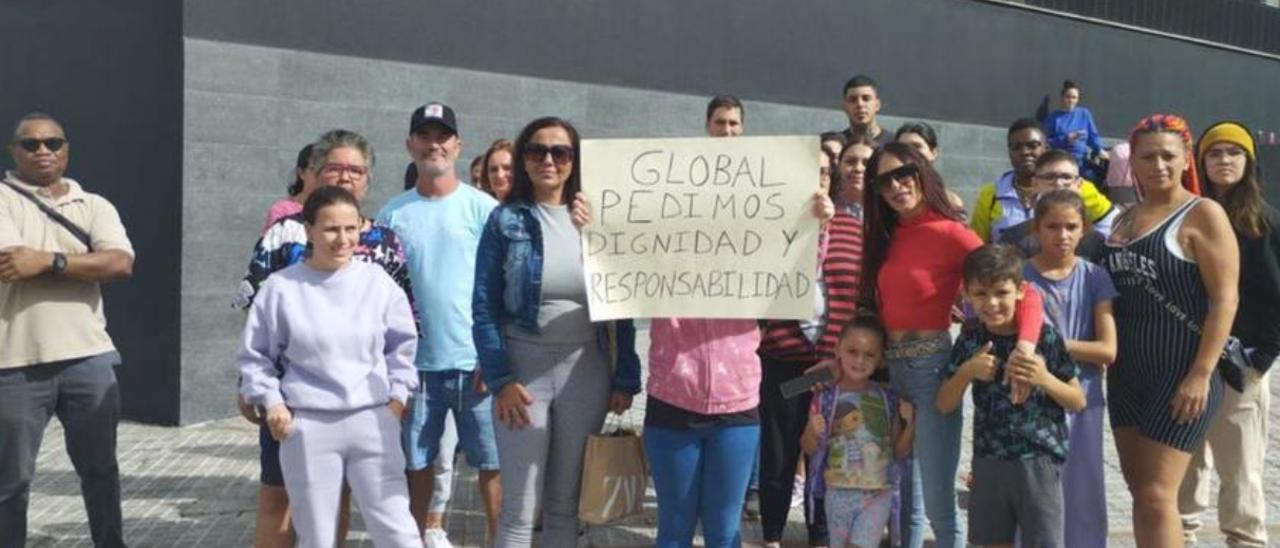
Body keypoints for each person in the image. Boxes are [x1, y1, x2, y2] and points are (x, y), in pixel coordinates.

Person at [233, 129, 415, 548]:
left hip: (373, 418)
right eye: (331, 229)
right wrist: (273, 402)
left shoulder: (378, 281)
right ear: (308, 229)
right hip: (307, 423)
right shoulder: (282, 287)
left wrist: (398, 399)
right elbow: (256, 355)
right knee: (316, 533)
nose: (343, 239)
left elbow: (402, 346)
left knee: (397, 528)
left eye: (351, 229)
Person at [860, 142, 1046, 548]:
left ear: (923, 173)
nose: (896, 186)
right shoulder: (886, 237)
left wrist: (1026, 346)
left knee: (937, 498)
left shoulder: (951, 233)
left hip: (932, 371)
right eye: (883, 180)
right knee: (904, 488)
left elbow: (1024, 292)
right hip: (893, 371)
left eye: (903, 173)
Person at [472, 116, 641, 547]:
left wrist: (625, 377)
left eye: (560, 152)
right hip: (523, 372)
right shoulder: (505, 221)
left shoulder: (599, 218)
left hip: (586, 371)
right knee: (519, 508)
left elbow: (622, 301)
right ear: (524, 161)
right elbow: (484, 305)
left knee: (566, 506)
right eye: (537, 151)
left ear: (574, 161)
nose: (549, 160)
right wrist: (501, 379)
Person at [1102, 114, 1237, 547]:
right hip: (1127, 375)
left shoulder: (1204, 214)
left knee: (1160, 494)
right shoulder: (1123, 221)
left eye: (1167, 155)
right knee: (1142, 494)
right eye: (1147, 156)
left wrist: (1201, 373)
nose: (1158, 164)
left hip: (1180, 371)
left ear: (1185, 159)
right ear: (1132, 163)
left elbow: (1225, 300)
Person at [0, 112, 135, 548]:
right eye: (31, 144)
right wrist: (82, 262)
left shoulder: (94, 205)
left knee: (101, 473)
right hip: (15, 363)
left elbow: (119, 263)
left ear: (67, 149)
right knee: (11, 482)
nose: (43, 151)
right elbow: (12, 264)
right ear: (13, 150)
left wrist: (50, 261)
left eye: (53, 143)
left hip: (88, 358)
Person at [377, 102, 501, 547]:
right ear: (410, 144)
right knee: (417, 465)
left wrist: (497, 356)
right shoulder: (392, 214)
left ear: (458, 145)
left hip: (477, 365)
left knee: (493, 465)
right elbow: (382, 293)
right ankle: (414, 538)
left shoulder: (484, 209)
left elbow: (500, 288)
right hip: (415, 368)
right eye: (425, 136)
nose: (434, 145)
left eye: (442, 136)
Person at [756, 139, 869, 548]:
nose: (817, 180)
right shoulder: (772, 226)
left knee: (827, 451)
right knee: (779, 451)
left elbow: (856, 298)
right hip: (784, 362)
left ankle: (820, 535)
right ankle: (771, 534)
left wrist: (834, 361)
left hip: (831, 366)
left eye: (824, 172)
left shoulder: (853, 229)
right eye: (810, 172)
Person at [937, 243, 1085, 548]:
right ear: (966, 295)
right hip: (989, 460)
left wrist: (1043, 378)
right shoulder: (970, 339)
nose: (991, 303)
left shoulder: (1045, 337)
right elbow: (944, 404)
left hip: (1039, 460)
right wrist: (967, 371)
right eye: (980, 294)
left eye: (1001, 293)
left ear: (1020, 291)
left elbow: (1077, 400)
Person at [1179, 121, 1278, 548]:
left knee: (1240, 473)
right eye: (1214, 153)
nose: (1223, 161)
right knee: (1185, 464)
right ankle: (1178, 538)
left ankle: (1245, 541)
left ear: (1248, 161)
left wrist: (1260, 359)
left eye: (1233, 153)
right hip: (1187, 360)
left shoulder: (1266, 222)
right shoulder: (1186, 215)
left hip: (1241, 365)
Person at [1024, 190, 1119, 548]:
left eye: (1070, 227)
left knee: (1082, 495)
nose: (1061, 235)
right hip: (1030, 405)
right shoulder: (1019, 276)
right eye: (1052, 226)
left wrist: (1050, 344)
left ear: (1085, 229)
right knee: (1034, 494)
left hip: (1083, 401)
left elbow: (1107, 350)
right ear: (1036, 228)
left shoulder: (1095, 277)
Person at [801, 315, 913, 548]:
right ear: (837, 349)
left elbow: (899, 451)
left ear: (880, 359)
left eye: (869, 354)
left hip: (878, 494)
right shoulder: (826, 397)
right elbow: (808, 447)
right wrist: (813, 429)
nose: (860, 360)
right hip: (838, 494)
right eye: (852, 351)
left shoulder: (887, 399)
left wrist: (912, 424)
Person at [971, 118, 1115, 244]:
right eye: (1016, 147)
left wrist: (1085, 250)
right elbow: (976, 243)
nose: (1025, 152)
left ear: (1045, 148)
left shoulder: (1074, 187)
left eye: (1033, 145)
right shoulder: (991, 194)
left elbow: (1112, 223)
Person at [999, 149, 1115, 261]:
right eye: (1050, 177)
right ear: (1035, 184)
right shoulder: (1013, 240)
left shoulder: (1096, 243)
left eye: (1066, 177)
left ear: (1079, 185)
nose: (1059, 184)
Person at [1042, 80, 1107, 180]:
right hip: (1063, 161)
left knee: (1101, 176)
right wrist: (1065, 139)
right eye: (1068, 97)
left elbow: (1093, 136)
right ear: (1062, 97)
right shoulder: (1054, 118)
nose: (1071, 100)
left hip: (1082, 161)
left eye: (1074, 98)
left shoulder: (1084, 114)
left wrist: (1099, 149)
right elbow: (1045, 143)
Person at [261, 144, 319, 232]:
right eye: (315, 169)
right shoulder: (282, 211)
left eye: (327, 170)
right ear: (301, 173)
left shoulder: (340, 208)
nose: (321, 175)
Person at [836, 75, 892, 147]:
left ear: (877, 105)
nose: (860, 104)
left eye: (866, 99)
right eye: (852, 100)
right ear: (844, 106)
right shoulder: (837, 145)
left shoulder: (894, 144)